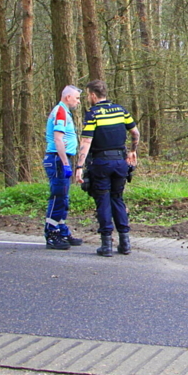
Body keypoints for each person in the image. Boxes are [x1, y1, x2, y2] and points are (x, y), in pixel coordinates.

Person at [74, 80, 140, 257]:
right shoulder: (121, 110)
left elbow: (86, 141)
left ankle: (106, 245)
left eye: (88, 95)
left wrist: (79, 166)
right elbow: (135, 133)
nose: (88, 98)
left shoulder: (93, 114)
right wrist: (132, 151)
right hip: (120, 162)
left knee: (103, 200)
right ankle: (125, 243)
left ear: (93, 95)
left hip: (101, 163)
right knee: (117, 198)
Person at [43, 85, 84, 250]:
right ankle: (51, 234)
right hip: (58, 160)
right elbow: (58, 139)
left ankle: (61, 230)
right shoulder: (60, 112)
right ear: (68, 97)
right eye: (77, 98)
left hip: (61, 159)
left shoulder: (64, 112)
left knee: (63, 199)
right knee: (58, 197)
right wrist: (66, 164)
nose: (78, 102)